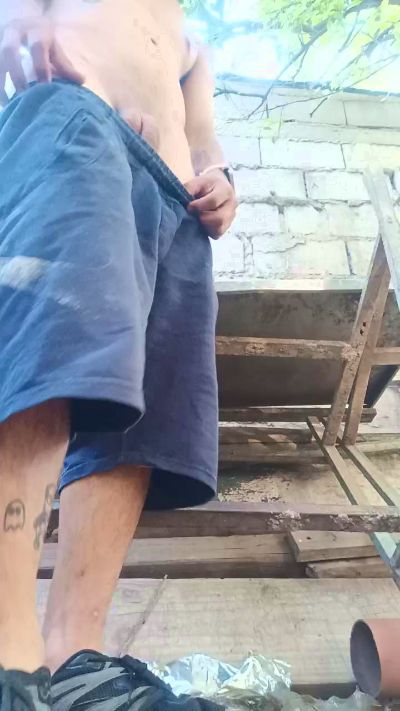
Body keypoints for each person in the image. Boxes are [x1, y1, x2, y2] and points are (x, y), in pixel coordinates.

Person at [0, 0, 237, 708]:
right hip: (78, 122)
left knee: (143, 409)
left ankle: (74, 658)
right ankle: (8, 652)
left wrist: (220, 176)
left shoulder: (191, 42)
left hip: (177, 207)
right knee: (51, 339)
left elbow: (204, 138)